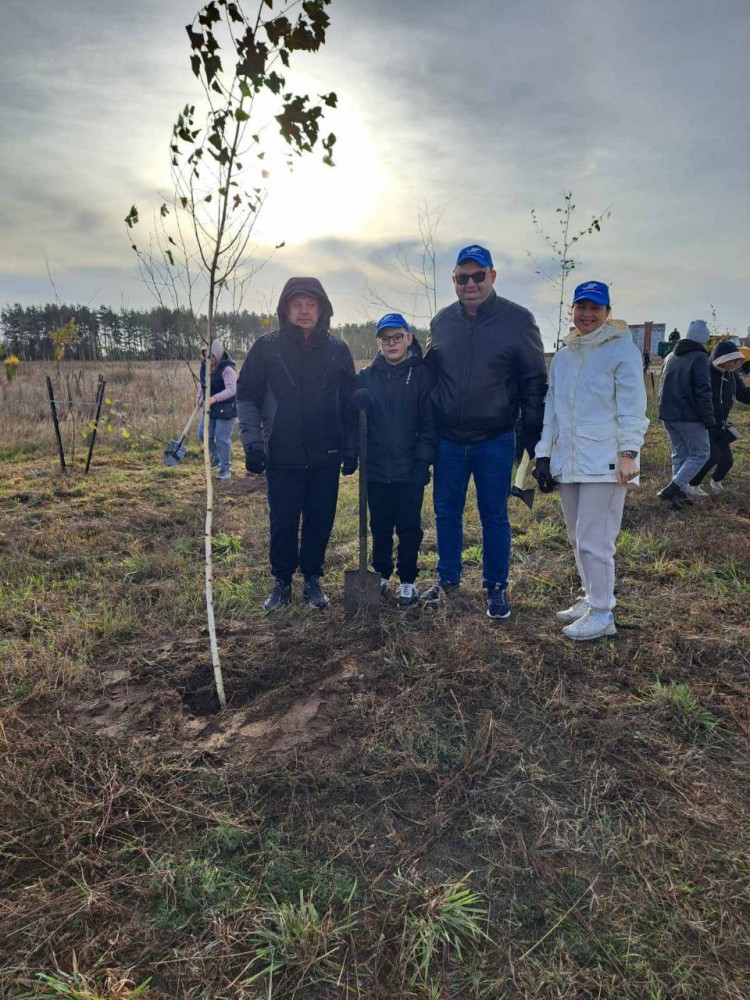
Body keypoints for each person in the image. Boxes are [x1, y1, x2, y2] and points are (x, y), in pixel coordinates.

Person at [422, 244, 547, 619]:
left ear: (492, 275)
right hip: (448, 440)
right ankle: (448, 578)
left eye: (479, 275)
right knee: (446, 512)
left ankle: (495, 586)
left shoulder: (518, 320)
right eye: (463, 277)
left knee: (493, 515)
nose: (471, 283)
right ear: (454, 281)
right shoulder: (441, 322)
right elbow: (428, 377)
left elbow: (534, 381)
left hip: (495, 439)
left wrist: (532, 435)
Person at [533, 281, 649, 641]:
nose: (586, 314)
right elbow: (552, 409)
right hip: (569, 460)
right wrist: (543, 453)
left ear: (607, 312)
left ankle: (603, 613)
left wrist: (629, 452)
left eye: (595, 308)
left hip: (606, 461)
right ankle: (591, 596)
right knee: (576, 536)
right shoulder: (565, 356)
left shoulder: (620, 351)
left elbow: (633, 406)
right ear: (571, 310)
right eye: (580, 307)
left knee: (596, 538)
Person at [236, 278, 357, 611]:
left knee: (320, 520)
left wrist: (350, 448)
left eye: (311, 305)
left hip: (326, 455)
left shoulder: (338, 349)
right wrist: (253, 444)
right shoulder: (266, 348)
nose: (304, 312)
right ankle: (282, 582)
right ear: (285, 309)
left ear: (322, 310)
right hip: (282, 455)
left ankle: (313, 580)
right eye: (297, 305)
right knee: (283, 521)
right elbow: (246, 397)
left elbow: (349, 404)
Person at [356, 313, 437, 607]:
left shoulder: (422, 376)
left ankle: (407, 580)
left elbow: (429, 423)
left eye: (397, 337)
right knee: (379, 526)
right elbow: (351, 419)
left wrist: (422, 461)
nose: (391, 343)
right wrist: (356, 403)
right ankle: (382, 574)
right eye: (385, 338)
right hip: (375, 469)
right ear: (378, 341)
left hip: (409, 469)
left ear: (409, 339)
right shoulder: (365, 377)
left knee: (409, 527)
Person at [656, 320, 715, 507]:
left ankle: (677, 495)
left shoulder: (671, 356)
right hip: (689, 416)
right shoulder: (699, 358)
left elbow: (662, 387)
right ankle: (673, 488)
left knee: (680, 454)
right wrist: (709, 418)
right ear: (703, 339)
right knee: (701, 453)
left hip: (668, 414)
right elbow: (703, 390)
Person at [688, 339, 750, 495]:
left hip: (721, 425)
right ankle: (692, 484)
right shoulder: (705, 372)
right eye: (730, 361)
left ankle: (716, 481)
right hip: (704, 423)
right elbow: (695, 397)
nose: (733, 364)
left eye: (736, 361)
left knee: (727, 461)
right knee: (712, 455)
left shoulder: (732, 375)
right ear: (720, 359)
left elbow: (743, 395)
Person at [196, 339, 237, 480]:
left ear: (218, 354)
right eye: (206, 356)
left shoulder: (227, 369)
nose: (209, 359)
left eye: (212, 356)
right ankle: (217, 457)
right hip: (210, 406)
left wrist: (214, 398)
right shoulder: (204, 366)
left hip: (226, 408)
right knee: (203, 434)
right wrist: (200, 396)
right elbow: (203, 385)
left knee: (221, 438)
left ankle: (225, 468)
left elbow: (231, 390)